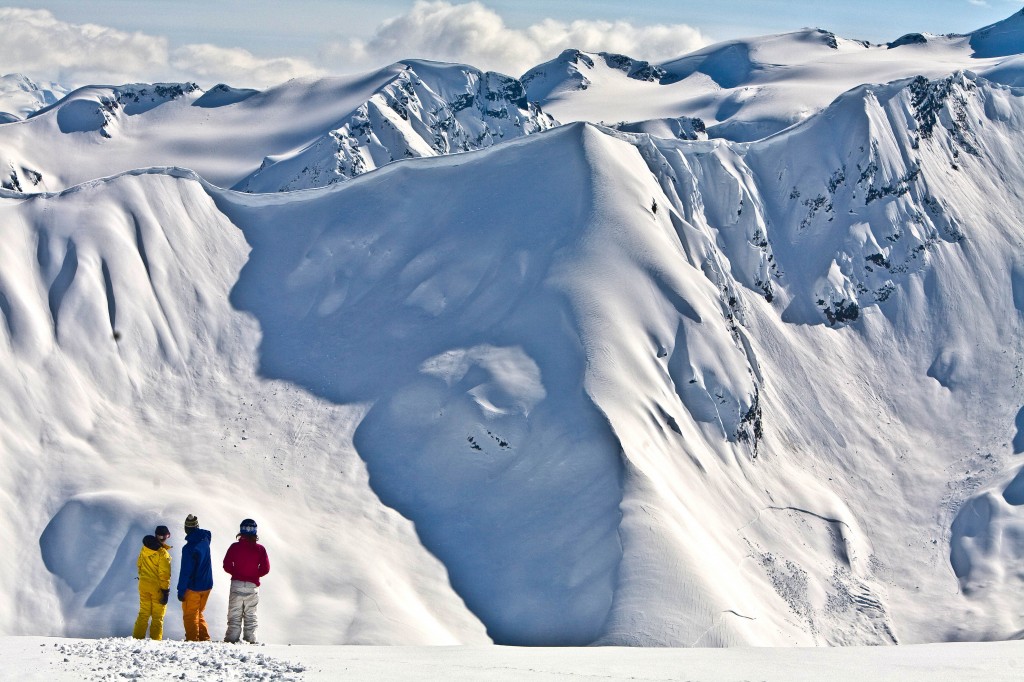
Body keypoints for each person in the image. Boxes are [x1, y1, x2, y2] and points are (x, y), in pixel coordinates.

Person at [222, 518, 270, 644]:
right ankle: (251, 639)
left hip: (236, 584)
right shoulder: (260, 549)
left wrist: (236, 572)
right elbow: (265, 569)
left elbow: (226, 565)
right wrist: (254, 575)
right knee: (250, 614)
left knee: (234, 614)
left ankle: (231, 640)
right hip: (252, 585)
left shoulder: (234, 547)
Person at [176, 514, 214, 641]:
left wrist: (181, 591)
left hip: (194, 587)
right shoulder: (205, 540)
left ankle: (192, 641)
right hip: (207, 585)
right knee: (198, 612)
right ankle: (204, 639)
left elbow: (186, 572)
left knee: (190, 614)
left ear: (186, 528)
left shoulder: (189, 548)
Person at [132, 526, 171, 640]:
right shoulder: (162, 553)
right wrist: (165, 591)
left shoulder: (144, 548)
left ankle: (137, 639)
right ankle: (155, 642)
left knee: (143, 613)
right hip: (157, 587)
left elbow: (139, 564)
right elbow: (164, 574)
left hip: (143, 585)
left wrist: (144, 577)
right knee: (157, 617)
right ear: (165, 536)